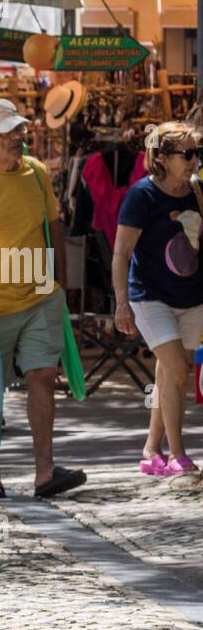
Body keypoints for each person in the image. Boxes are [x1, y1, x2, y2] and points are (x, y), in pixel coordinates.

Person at [0, 98, 86, 501]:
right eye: (9, 133)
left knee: (42, 375)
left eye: (20, 130)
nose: (19, 138)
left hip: (40, 298)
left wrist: (61, 283)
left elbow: (53, 226)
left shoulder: (37, 173)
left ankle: (44, 472)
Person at [113, 121, 203, 477]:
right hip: (150, 297)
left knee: (168, 373)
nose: (195, 160)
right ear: (162, 158)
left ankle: (151, 450)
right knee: (179, 370)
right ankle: (177, 453)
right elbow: (121, 253)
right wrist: (121, 302)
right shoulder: (142, 195)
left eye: (198, 152)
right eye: (187, 154)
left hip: (191, 296)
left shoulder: (197, 191)